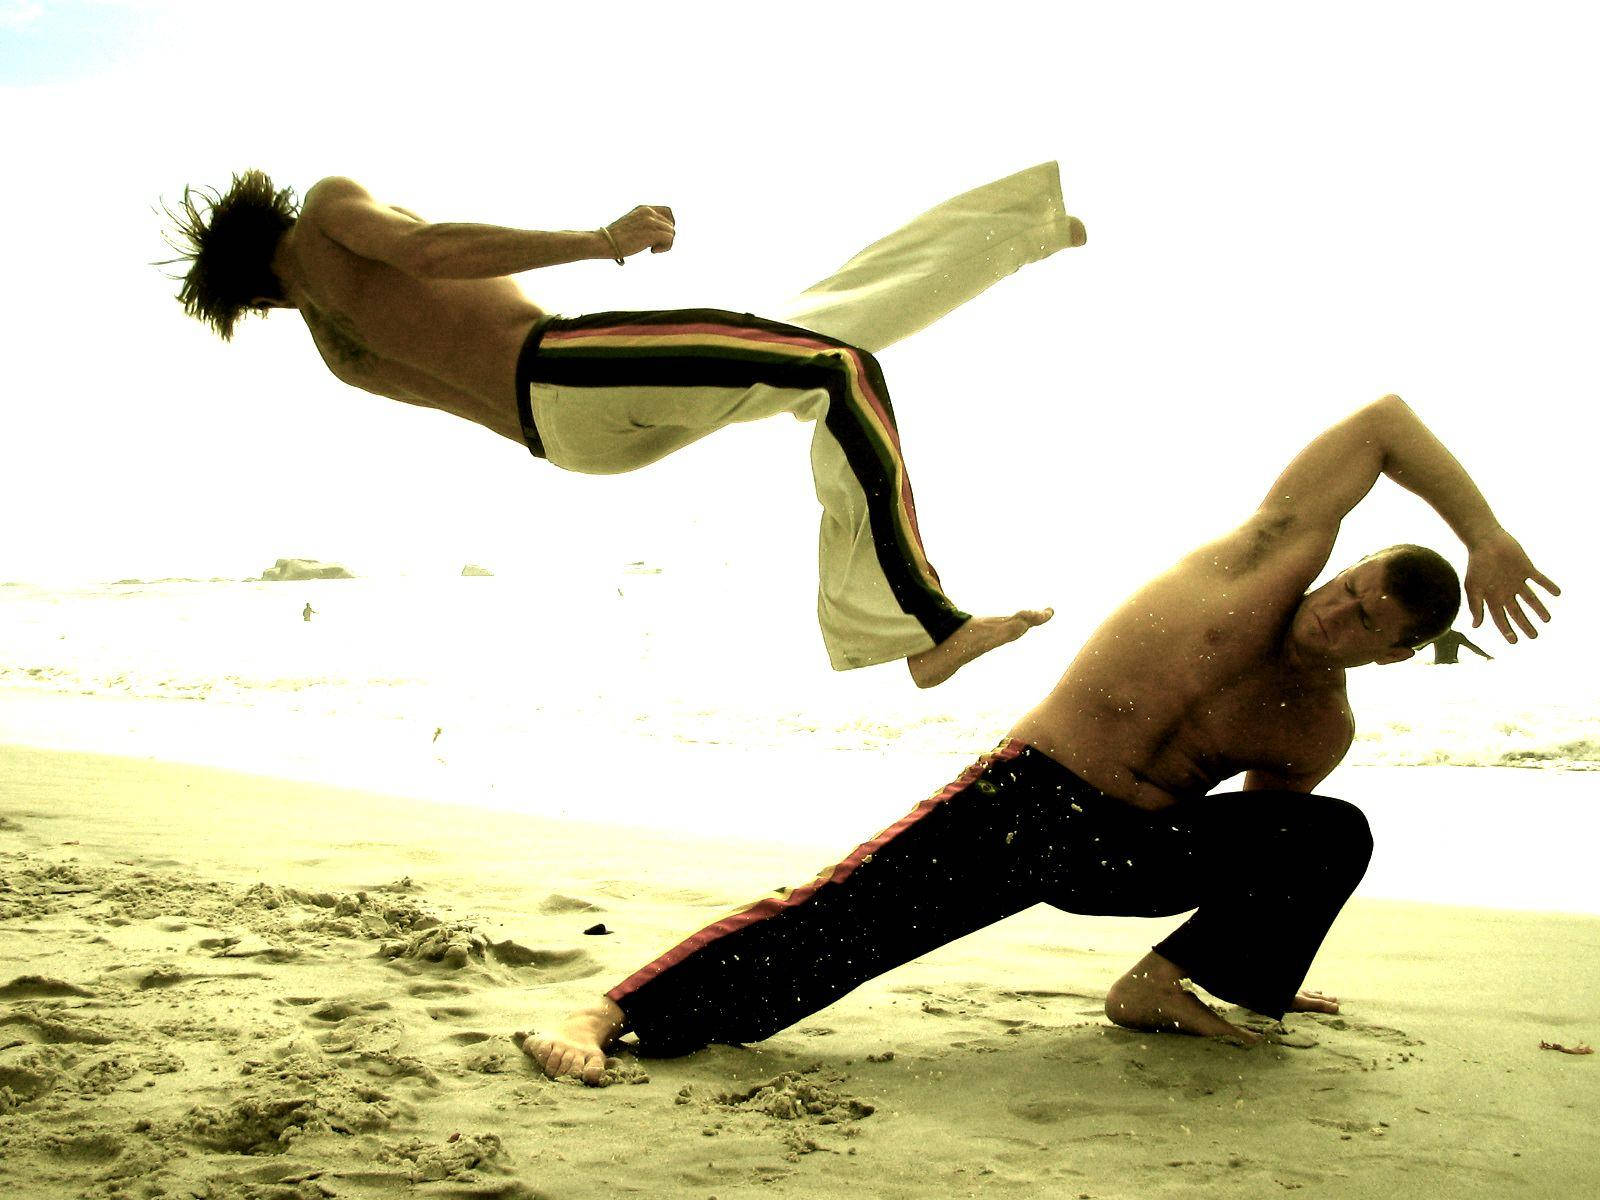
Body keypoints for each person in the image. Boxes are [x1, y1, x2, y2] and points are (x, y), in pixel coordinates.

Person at [517, 393, 1560, 1084]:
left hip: (1126, 852)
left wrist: (1251, 953)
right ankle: (606, 1015)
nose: (1338, 613)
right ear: (1337, 565)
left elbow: (1261, 848)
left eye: (1369, 622)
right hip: (1023, 802)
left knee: (1334, 833)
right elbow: (1382, 424)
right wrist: (1485, 535)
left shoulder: (1318, 724)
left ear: (1399, 651)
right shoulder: (1256, 563)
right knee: (836, 923)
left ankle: (1163, 987)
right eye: (1350, 589)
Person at [161, 165, 1085, 686]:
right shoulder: (323, 214)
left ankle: (1022, 227)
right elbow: (430, 249)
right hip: (564, 364)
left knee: (808, 336)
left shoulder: (335, 350)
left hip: (569, 442)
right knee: (836, 370)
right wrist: (601, 241)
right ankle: (920, 630)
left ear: (251, 293)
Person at [1427, 629, 1492, 664]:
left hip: (1439, 665)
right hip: (1453, 664)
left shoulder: (1436, 636)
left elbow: (1419, 647)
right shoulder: (1457, 635)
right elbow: (1473, 647)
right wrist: (1487, 656)